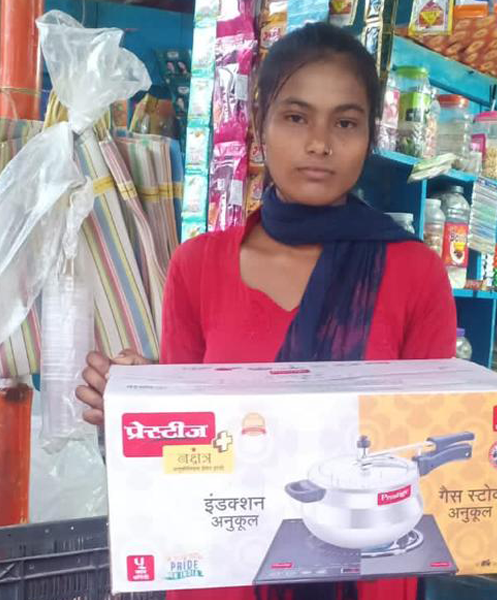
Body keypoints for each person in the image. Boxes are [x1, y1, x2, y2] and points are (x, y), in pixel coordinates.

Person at [77, 21, 456, 600]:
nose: (319, 144)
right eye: (296, 117)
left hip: (367, 559)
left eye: (346, 122)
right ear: (259, 125)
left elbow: (435, 436)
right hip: (225, 572)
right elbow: (188, 452)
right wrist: (133, 405)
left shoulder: (414, 273)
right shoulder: (198, 265)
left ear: (369, 135)